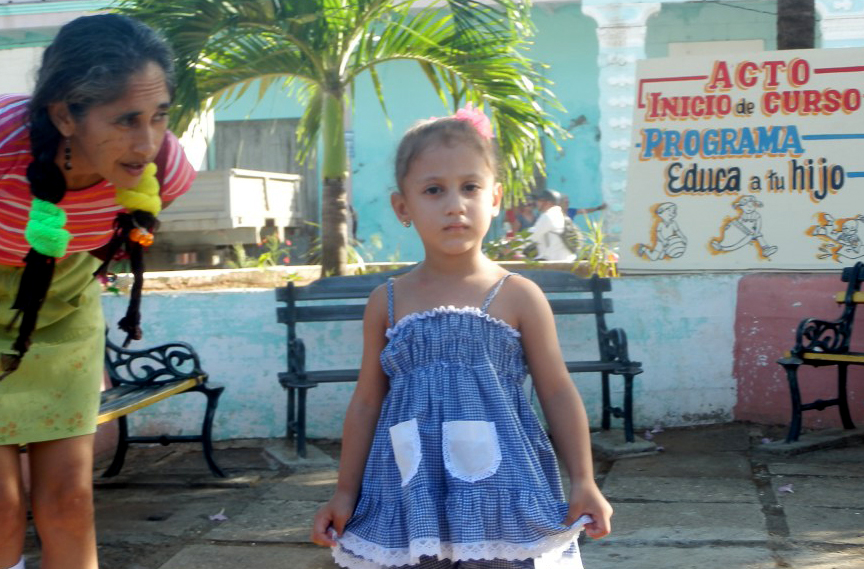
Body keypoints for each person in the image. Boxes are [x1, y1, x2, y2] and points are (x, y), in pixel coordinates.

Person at [311, 106, 612, 569]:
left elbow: (556, 391)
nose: (455, 204)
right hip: (412, 490)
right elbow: (368, 401)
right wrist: (345, 492)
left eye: (470, 187)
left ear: (495, 198)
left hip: (504, 491)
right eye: (434, 190)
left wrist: (584, 481)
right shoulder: (386, 302)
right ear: (402, 207)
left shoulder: (519, 297)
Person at [0, 14, 195, 569]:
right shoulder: (3, 145)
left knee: (68, 500)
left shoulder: (167, 170)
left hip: (63, 305)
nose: (147, 142)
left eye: (159, 116)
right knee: (2, 506)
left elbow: (99, 260)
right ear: (64, 114)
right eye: (126, 120)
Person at [527, 189, 576, 261]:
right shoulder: (559, 214)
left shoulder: (548, 216)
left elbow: (532, 236)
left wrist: (514, 246)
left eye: (539, 201)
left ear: (548, 202)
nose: (537, 203)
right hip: (566, 260)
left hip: (555, 262)